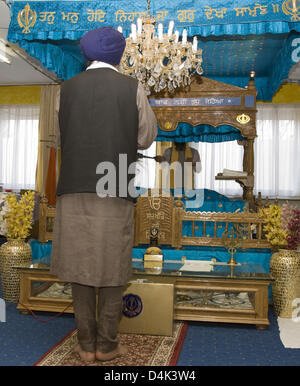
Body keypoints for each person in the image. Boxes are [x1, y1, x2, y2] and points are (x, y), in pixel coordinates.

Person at [50, 27, 157, 362]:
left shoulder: (64, 90)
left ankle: (85, 345)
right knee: (113, 268)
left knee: (79, 266)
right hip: (115, 187)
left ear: (86, 53)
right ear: (119, 55)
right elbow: (146, 136)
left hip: (73, 191)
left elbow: (59, 136)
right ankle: (107, 345)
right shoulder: (132, 88)